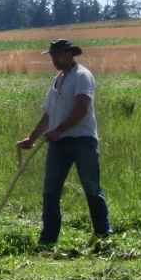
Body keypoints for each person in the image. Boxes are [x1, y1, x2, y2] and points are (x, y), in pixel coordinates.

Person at [18, 38, 111, 244]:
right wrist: (32, 138)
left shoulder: (82, 76)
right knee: (50, 191)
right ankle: (48, 239)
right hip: (58, 145)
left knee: (91, 188)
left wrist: (58, 130)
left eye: (58, 55)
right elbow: (48, 114)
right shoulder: (57, 80)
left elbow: (81, 109)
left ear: (70, 54)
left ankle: (104, 235)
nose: (54, 59)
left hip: (83, 141)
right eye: (52, 56)